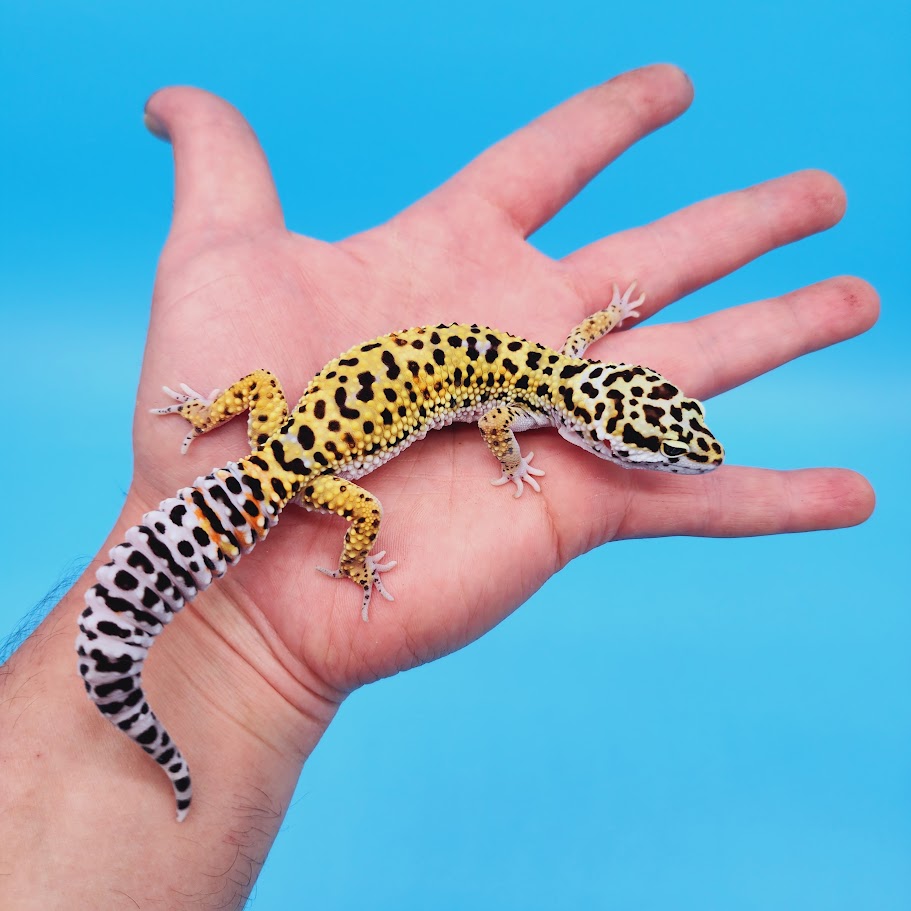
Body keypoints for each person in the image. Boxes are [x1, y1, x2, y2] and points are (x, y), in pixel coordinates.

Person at [0, 64, 876, 907]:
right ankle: (346, 566)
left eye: (664, 446)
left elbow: (548, 370)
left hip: (274, 431)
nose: (669, 459)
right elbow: (498, 420)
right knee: (367, 513)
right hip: (310, 472)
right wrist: (483, 477)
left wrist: (208, 425)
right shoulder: (531, 403)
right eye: (658, 449)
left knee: (260, 396)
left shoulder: (554, 370)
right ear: (601, 422)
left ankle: (208, 428)